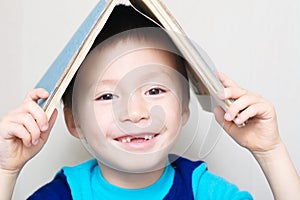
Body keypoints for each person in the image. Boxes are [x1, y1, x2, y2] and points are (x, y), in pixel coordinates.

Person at [1, 5, 299, 200]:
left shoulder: (203, 191)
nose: (135, 113)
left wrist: (270, 151)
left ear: (185, 108)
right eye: (106, 96)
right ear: (74, 122)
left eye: (154, 91)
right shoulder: (64, 194)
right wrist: (6, 170)